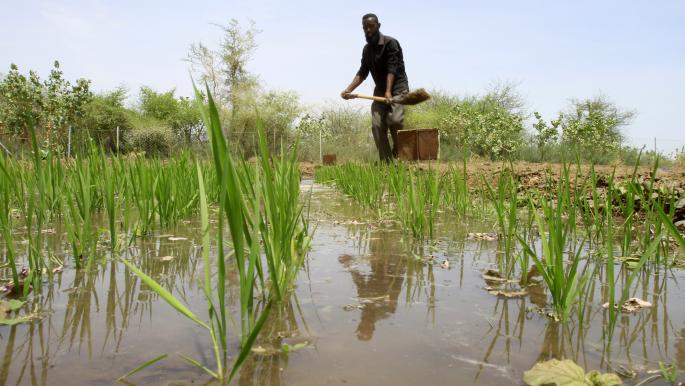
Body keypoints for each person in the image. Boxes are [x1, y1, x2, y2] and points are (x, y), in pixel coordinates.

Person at [341, 13, 409, 162]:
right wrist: (349, 89)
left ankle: (398, 151)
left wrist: (388, 92)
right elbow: (362, 72)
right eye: (365, 27)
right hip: (380, 90)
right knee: (377, 125)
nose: (368, 30)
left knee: (395, 120)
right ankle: (387, 163)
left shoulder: (391, 43)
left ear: (378, 25)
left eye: (371, 26)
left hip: (397, 88)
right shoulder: (367, 50)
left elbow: (392, 68)